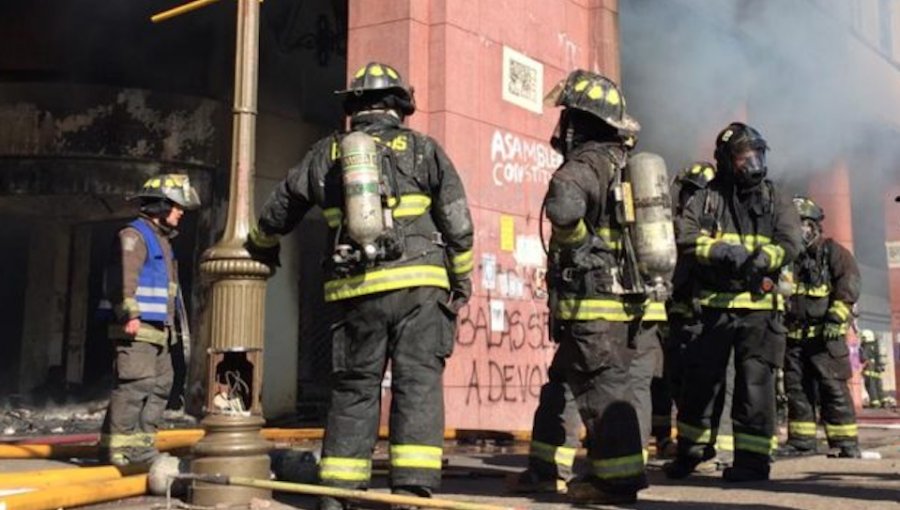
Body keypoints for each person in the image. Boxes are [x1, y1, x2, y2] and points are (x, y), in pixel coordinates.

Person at [246, 62, 474, 510]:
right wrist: (460, 278)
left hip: (355, 293)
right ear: (400, 107)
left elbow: (277, 211)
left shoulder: (327, 154)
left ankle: (338, 493)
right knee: (418, 385)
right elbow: (459, 225)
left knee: (354, 389)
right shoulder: (425, 150)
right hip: (422, 289)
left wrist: (259, 245)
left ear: (353, 108)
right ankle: (411, 494)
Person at [538, 69, 667, 504]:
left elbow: (563, 208)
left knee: (602, 392)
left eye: (568, 118)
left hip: (592, 305)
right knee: (610, 389)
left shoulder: (585, 164)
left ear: (580, 121)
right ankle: (598, 475)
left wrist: (577, 248)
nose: (563, 128)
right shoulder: (624, 163)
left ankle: (615, 484)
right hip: (625, 304)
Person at [665, 122, 801, 482]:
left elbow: (791, 241)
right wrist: (725, 252)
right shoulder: (707, 197)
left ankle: (753, 463)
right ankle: (692, 452)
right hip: (713, 309)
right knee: (700, 385)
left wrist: (766, 258)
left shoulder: (777, 198)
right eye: (745, 156)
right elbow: (685, 235)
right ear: (727, 160)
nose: (754, 163)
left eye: (758, 154)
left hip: (760, 311)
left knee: (755, 387)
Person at [98, 174, 200, 466]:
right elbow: (122, 277)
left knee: (161, 385)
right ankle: (117, 451)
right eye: (177, 206)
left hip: (158, 330)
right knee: (135, 385)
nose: (181, 212)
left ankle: (141, 447)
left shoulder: (162, 241)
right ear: (159, 206)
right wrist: (128, 313)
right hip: (137, 327)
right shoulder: (133, 236)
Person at [655, 162, 734, 468]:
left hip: (709, 321)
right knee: (680, 386)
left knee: (716, 387)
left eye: (695, 192)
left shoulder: (721, 228)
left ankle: (721, 450)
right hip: (677, 322)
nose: (689, 199)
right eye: (687, 191)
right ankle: (689, 446)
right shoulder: (673, 229)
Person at [777, 196, 861, 458]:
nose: (799, 230)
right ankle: (802, 442)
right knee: (797, 389)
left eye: (804, 224)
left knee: (832, 387)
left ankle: (845, 442)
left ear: (814, 226)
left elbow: (848, 285)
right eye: (794, 224)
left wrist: (837, 317)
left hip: (826, 338)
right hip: (795, 337)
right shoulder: (788, 259)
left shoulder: (833, 253)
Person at [859, 329, 886, 408]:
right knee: (878, 385)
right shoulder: (876, 345)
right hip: (877, 367)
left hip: (869, 367)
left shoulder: (866, 346)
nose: (862, 339)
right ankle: (882, 400)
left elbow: (863, 358)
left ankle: (874, 402)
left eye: (863, 338)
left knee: (870, 385)